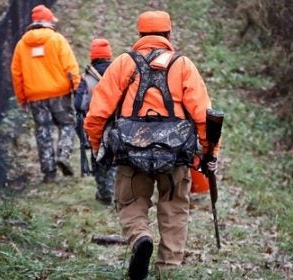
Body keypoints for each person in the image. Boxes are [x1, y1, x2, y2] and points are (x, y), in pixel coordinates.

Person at [84, 10, 219, 279]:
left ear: (140, 35)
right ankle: (168, 270)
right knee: (175, 210)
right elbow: (204, 116)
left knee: (131, 203)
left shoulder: (123, 63)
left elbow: (97, 113)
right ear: (169, 35)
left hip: (131, 154)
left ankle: (140, 238)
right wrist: (208, 152)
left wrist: (99, 146)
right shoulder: (183, 65)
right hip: (176, 155)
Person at [11, 4, 80, 183]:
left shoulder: (21, 45)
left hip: (35, 96)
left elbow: (16, 74)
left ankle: (49, 173)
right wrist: (76, 87)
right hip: (60, 93)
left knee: (43, 131)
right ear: (49, 21)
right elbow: (70, 66)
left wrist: (22, 98)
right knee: (67, 125)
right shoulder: (57, 39)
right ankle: (63, 155)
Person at [74, 38, 116, 205]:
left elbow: (79, 104)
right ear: (108, 56)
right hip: (117, 124)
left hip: (95, 124)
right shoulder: (118, 73)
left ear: (93, 56)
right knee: (116, 159)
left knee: (98, 158)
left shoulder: (86, 78)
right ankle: (116, 193)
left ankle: (104, 193)